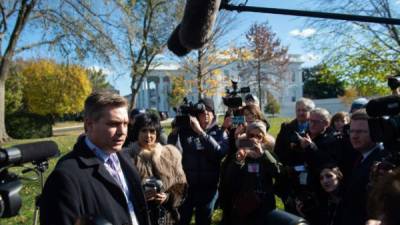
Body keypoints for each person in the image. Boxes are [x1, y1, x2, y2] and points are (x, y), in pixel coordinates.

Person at [40, 91, 150, 225]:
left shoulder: (126, 158)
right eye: (113, 124)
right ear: (88, 125)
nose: (122, 132)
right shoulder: (65, 176)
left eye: (125, 124)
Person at [169, 97, 228, 225]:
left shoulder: (220, 133)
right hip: (187, 189)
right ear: (196, 115)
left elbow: (219, 153)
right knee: (181, 220)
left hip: (208, 189)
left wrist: (200, 132)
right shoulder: (185, 132)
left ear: (213, 114)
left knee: (204, 221)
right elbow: (172, 152)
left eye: (209, 111)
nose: (206, 113)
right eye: (202, 111)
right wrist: (175, 132)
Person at [127, 113, 187, 225]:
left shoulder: (170, 154)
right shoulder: (127, 157)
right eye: (144, 131)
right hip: (139, 218)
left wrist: (167, 197)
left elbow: (181, 186)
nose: (148, 135)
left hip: (167, 218)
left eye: (152, 131)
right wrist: (141, 198)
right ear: (137, 132)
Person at [219, 121, 280, 225]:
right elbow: (229, 179)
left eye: (258, 136)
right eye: (251, 135)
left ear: (263, 138)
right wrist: (238, 161)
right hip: (244, 204)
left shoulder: (268, 154)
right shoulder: (241, 152)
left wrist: (263, 155)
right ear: (247, 137)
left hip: (264, 204)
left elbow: (278, 173)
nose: (254, 139)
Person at [339, 109, 387, 225]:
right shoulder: (360, 156)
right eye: (352, 131)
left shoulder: (383, 161)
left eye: (361, 132)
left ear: (376, 132)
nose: (354, 136)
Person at [273, 98, 315, 213]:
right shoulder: (286, 127)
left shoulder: (315, 127)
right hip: (290, 176)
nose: (301, 113)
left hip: (310, 177)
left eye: (304, 110)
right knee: (291, 210)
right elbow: (278, 150)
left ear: (311, 111)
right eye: (298, 110)